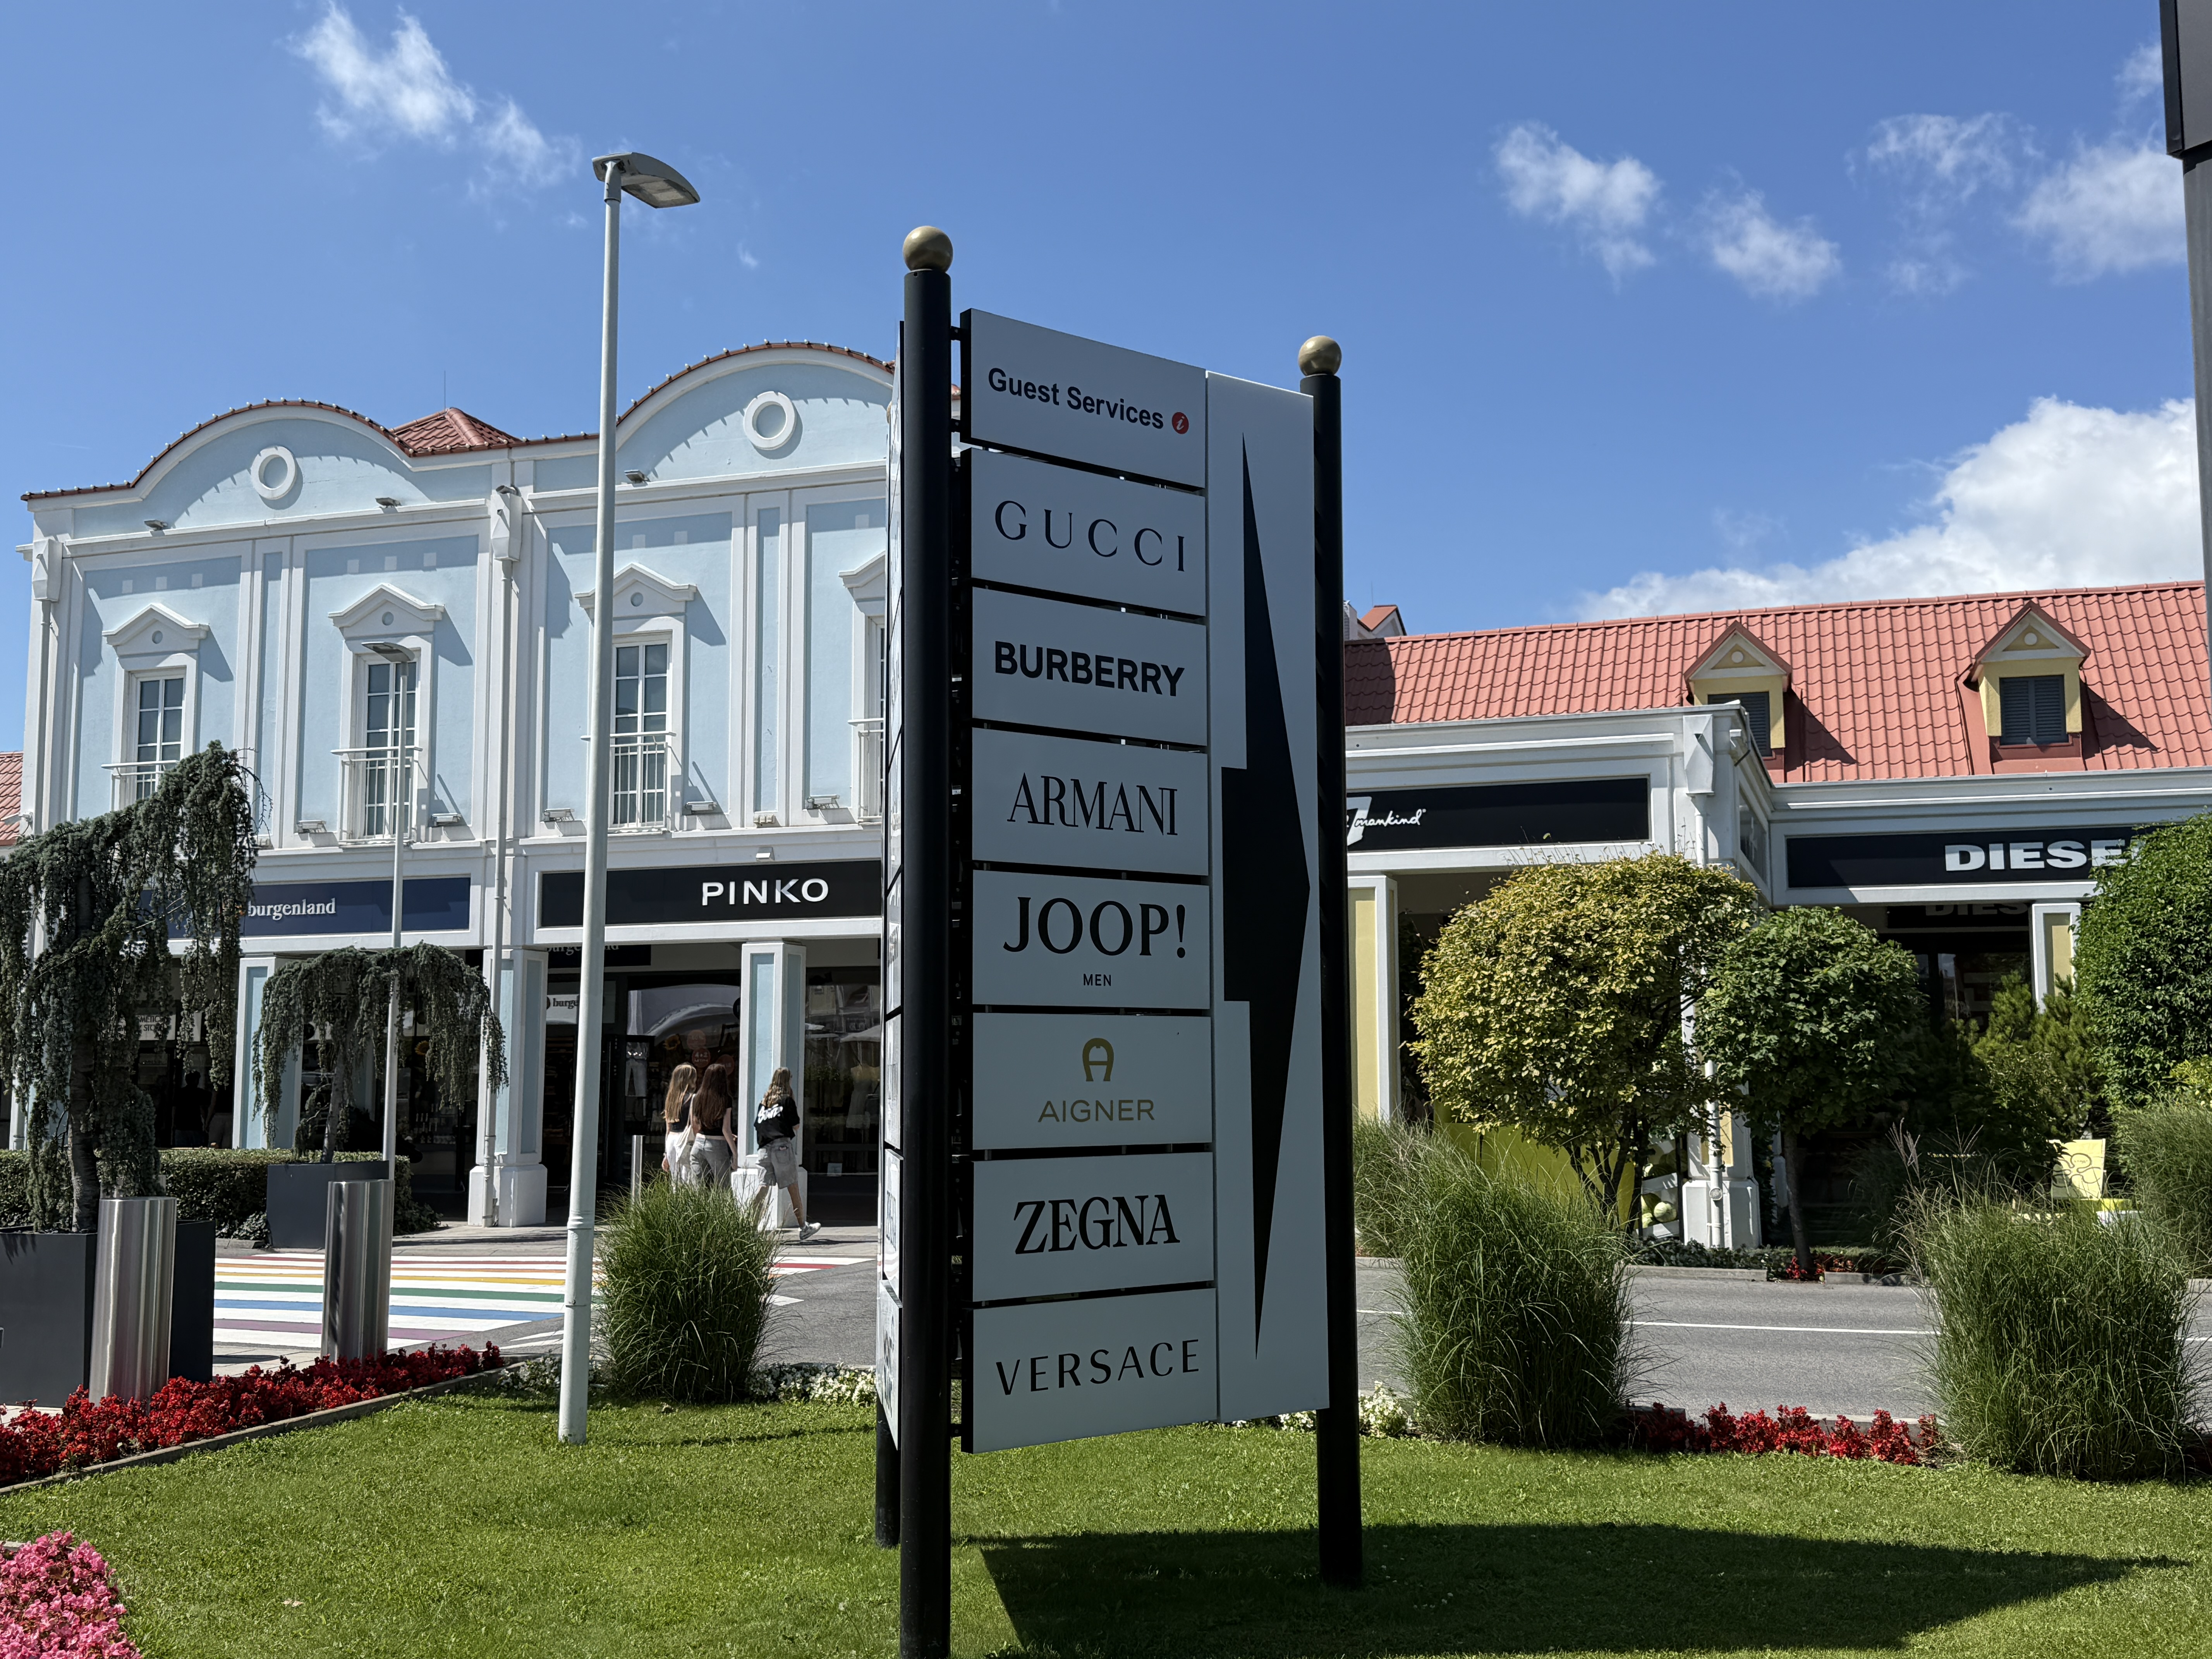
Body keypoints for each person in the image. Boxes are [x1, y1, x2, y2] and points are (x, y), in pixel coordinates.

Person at [743, 1065, 816, 1239]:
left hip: (764, 1149)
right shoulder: (787, 1101)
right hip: (782, 1147)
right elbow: (796, 1125)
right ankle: (803, 1227)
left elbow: (758, 1126)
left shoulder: (764, 1103)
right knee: (793, 1187)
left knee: (763, 1187)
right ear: (788, 1081)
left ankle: (749, 1226)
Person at [688, 1061, 737, 1190]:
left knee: (699, 1189)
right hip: (717, 1145)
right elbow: (726, 1130)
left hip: (698, 1144)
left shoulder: (698, 1098)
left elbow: (695, 1125)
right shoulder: (725, 1099)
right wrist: (735, 1154)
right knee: (724, 1187)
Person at [659, 1063, 698, 1183]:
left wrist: (666, 1154)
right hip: (686, 1140)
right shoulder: (693, 1098)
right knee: (688, 1179)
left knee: (675, 1180)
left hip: (671, 1140)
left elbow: (668, 1128)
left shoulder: (671, 1099)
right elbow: (695, 1125)